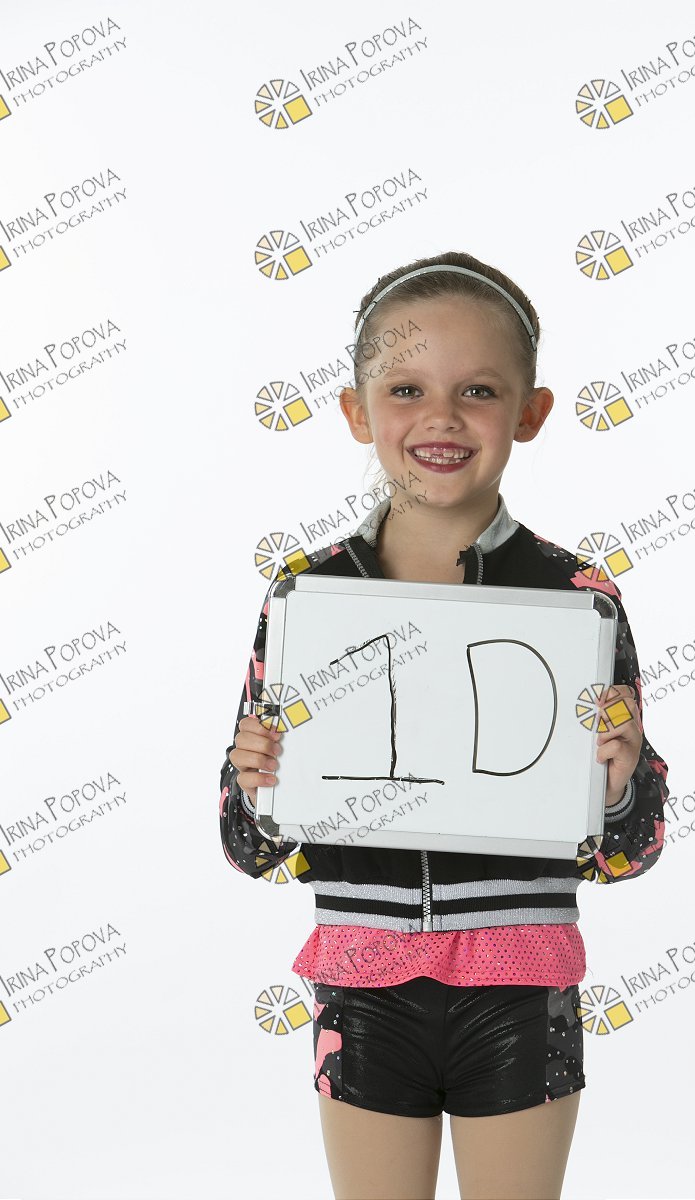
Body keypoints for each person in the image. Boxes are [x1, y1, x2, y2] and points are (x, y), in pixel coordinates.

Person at [219, 250, 669, 1200]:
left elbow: (631, 850)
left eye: (478, 390)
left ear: (529, 413)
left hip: (522, 975)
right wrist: (256, 787)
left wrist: (618, 783)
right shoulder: (307, 596)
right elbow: (250, 847)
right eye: (406, 389)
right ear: (356, 411)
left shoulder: (577, 599)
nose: (442, 417)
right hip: (362, 975)